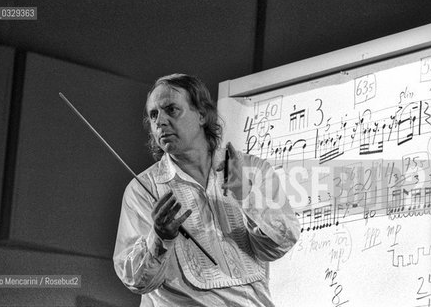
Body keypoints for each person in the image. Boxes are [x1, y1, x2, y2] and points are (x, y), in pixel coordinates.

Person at [113, 73, 300, 306]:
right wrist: (160, 238)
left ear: (201, 115)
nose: (160, 121)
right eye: (153, 115)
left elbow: (278, 246)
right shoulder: (142, 189)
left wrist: (244, 193)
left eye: (171, 110)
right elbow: (138, 281)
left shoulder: (253, 169)